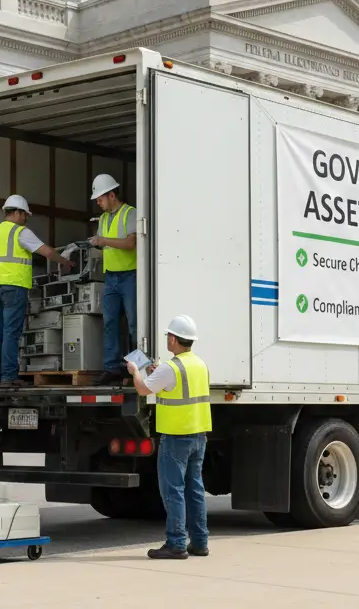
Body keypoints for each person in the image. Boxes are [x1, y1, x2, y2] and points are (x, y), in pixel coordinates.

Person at [127, 314, 211, 560]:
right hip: (199, 436)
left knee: (173, 491)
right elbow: (176, 386)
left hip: (176, 438)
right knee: (195, 489)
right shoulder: (199, 364)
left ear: (173, 339)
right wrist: (156, 372)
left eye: (168, 336)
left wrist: (135, 371)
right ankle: (200, 542)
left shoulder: (170, 367)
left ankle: (176, 543)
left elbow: (143, 389)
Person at [0, 195, 74, 387]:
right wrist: (65, 261)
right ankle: (9, 377)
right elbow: (47, 252)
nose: (26, 219)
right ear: (17, 212)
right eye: (25, 215)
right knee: (11, 332)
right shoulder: (20, 232)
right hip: (14, 287)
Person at [89, 174, 138, 385]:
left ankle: (138, 367)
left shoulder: (130, 213)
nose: (98, 203)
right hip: (111, 277)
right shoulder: (103, 218)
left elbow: (130, 243)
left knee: (135, 324)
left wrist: (102, 240)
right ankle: (112, 368)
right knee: (110, 323)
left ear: (111, 195)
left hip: (130, 275)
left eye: (100, 198)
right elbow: (106, 244)